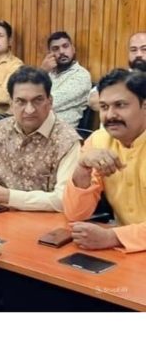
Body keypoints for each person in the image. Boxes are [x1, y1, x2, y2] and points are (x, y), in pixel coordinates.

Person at [0, 66, 80, 212]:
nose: (29, 110)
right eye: (21, 102)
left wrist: (7, 197)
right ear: (11, 104)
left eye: (37, 100)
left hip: (44, 225)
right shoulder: (0, 128)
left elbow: (63, 200)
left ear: (50, 101)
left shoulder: (67, 140)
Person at [64, 69, 146, 252]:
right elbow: (75, 214)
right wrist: (82, 168)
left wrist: (114, 237)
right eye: (104, 107)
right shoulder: (98, 141)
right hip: (130, 254)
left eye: (120, 105)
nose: (110, 115)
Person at [39, 31, 92, 128]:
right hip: (36, 126)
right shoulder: (47, 73)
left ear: (73, 49)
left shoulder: (81, 75)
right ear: (50, 54)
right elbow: (28, 94)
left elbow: (49, 104)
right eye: (55, 49)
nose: (61, 52)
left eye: (65, 46)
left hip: (61, 133)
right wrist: (42, 72)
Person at [88, 32, 146, 111]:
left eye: (144, 49)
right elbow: (93, 100)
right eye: (133, 50)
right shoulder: (118, 76)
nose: (138, 54)